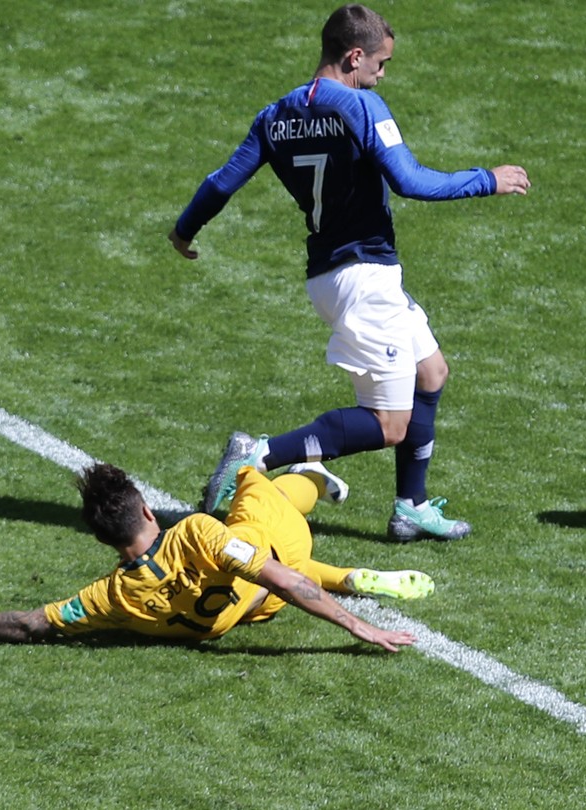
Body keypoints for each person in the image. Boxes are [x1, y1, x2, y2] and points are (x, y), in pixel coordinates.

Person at [169, 3, 531, 541]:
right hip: (364, 280)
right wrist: (486, 179)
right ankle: (258, 455)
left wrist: (184, 230)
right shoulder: (360, 107)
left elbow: (222, 182)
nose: (383, 74)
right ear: (354, 56)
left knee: (430, 373)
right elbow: (410, 180)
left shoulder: (275, 116)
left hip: (334, 277)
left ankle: (410, 505)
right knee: (389, 425)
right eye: (380, 64)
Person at [0, 461, 432, 651]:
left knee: (266, 556)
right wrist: (359, 628)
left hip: (253, 608)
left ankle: (344, 574)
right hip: (271, 565)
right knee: (257, 484)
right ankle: (312, 474)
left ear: (103, 540)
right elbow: (282, 578)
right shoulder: (196, 533)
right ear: (147, 511)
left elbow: (30, 624)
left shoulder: (109, 598)